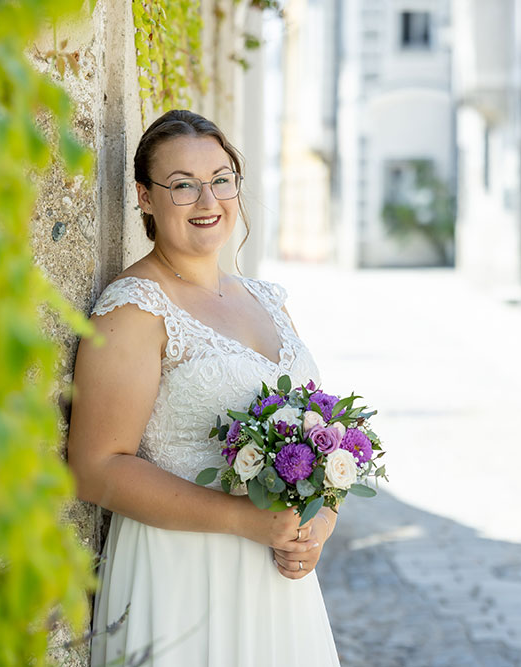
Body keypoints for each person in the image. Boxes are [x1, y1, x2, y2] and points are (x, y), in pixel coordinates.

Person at [67, 109, 340, 666]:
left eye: (220, 180)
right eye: (183, 186)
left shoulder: (269, 301)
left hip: (275, 584)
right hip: (180, 575)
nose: (208, 201)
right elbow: (95, 467)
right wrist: (246, 521)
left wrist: (317, 522)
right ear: (145, 198)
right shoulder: (134, 309)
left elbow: (320, 441)